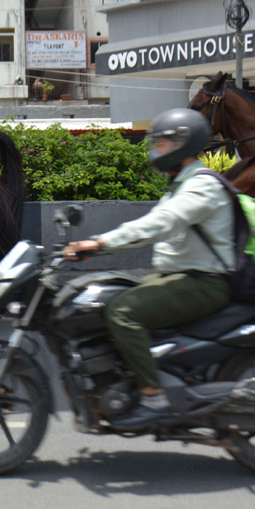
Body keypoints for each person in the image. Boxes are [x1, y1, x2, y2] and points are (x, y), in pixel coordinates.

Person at [64, 108, 234, 430]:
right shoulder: (181, 184)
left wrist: (98, 243)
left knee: (123, 312)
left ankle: (154, 398)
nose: (157, 150)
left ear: (185, 145)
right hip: (183, 276)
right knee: (106, 298)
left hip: (205, 282)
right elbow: (151, 227)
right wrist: (97, 248)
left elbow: (159, 224)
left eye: (163, 143)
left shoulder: (201, 186)